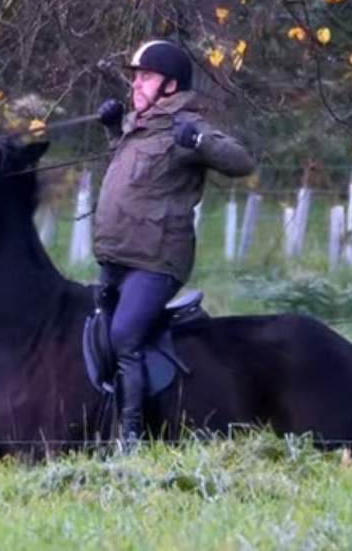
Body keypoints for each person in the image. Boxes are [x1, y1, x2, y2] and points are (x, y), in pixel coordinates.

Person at [91, 38, 257, 448]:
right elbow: (136, 177)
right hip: (116, 257)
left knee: (124, 336)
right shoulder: (138, 125)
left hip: (156, 261)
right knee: (95, 335)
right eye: (135, 77)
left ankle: (130, 437)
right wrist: (113, 130)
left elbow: (242, 162)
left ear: (170, 85)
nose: (136, 84)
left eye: (146, 77)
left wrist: (199, 142)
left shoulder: (188, 125)